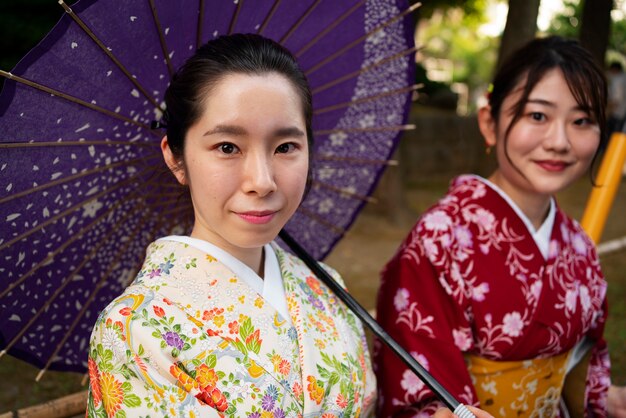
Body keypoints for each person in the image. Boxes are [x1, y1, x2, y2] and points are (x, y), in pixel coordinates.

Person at [84, 33, 493, 418]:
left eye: (285, 147)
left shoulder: (326, 286)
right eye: (227, 147)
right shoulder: (134, 328)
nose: (262, 181)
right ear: (176, 158)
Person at [374, 36, 625, 418]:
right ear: (489, 122)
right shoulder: (439, 240)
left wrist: (600, 397)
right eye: (537, 116)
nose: (559, 141)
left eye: (582, 121)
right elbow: (414, 390)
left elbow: (582, 365)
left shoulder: (578, 244)